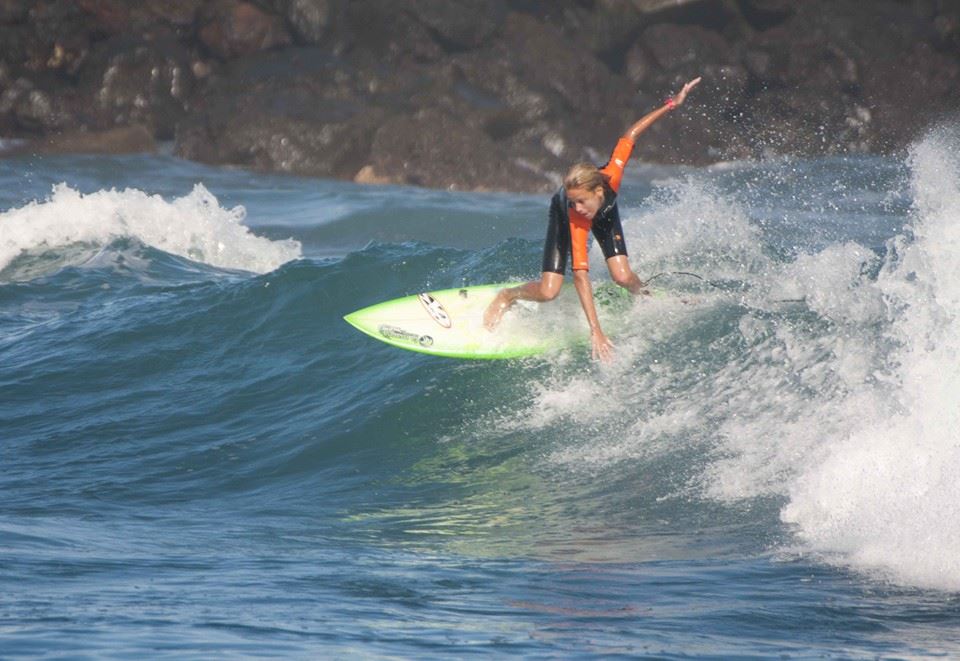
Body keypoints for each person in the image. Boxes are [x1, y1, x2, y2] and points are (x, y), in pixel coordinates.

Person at [483, 76, 702, 362]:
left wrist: (672, 103)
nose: (578, 206)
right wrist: (595, 330)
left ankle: (647, 295)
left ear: (599, 190)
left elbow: (631, 135)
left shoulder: (611, 175)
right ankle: (508, 295)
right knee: (550, 291)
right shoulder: (574, 215)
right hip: (561, 221)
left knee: (623, 276)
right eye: (573, 201)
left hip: (606, 214)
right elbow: (582, 277)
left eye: (581, 201)